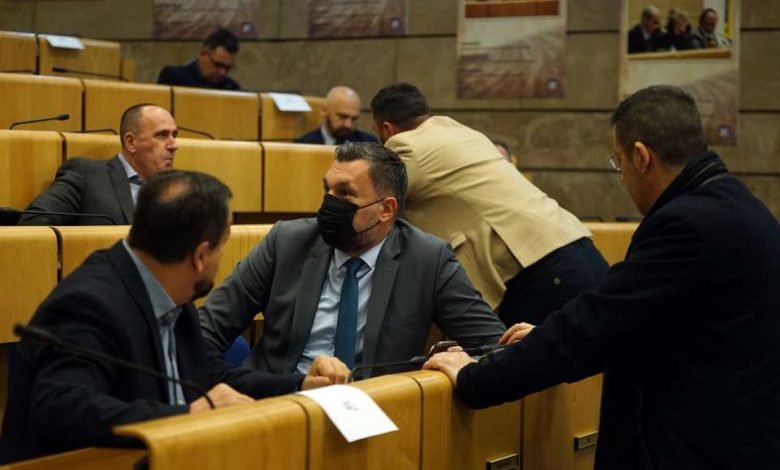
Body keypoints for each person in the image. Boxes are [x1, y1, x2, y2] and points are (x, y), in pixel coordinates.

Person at [424, 85, 780, 468]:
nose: (622, 177)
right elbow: (648, 326)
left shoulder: (687, 224)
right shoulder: (742, 207)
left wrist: (473, 378)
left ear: (641, 157)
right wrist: (543, 336)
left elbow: (595, 326)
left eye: (619, 162)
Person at [0, 170, 348, 463]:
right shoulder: (90, 304)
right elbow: (61, 408)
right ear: (200, 256)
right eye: (223, 245)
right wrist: (189, 415)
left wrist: (299, 386)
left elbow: (207, 375)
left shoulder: (169, 288)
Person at [199, 142, 505, 377]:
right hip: (282, 398)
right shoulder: (287, 241)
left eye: (345, 194)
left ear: (386, 209)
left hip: (375, 408)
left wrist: (459, 364)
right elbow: (208, 329)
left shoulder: (427, 259)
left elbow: (491, 344)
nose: (329, 202)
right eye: (327, 190)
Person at [371, 83, 608, 326]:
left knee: (516, 350)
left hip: (537, 275)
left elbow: (371, 200)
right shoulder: (465, 133)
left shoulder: (405, 145)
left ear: (387, 129)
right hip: (580, 250)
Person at [20, 104, 177, 225]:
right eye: (162, 135)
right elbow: (33, 222)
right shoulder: (87, 175)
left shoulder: (178, 188)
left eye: (174, 135)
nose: (174, 145)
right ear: (131, 143)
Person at [157, 28, 241, 90]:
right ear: (203, 54)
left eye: (228, 68)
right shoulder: (173, 78)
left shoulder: (231, 88)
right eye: (218, 65)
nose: (223, 72)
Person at [295, 86, 378, 145]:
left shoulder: (369, 145)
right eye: (342, 117)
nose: (348, 125)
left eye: (354, 119)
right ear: (324, 110)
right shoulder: (304, 145)